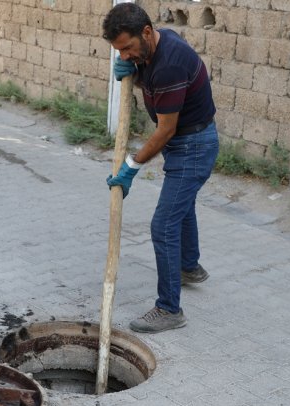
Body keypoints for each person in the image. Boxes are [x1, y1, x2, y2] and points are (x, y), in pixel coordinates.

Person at [102, 3, 219, 334]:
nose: (123, 55)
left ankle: (169, 308)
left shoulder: (169, 62)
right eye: (118, 51)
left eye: (127, 48)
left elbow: (165, 129)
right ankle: (189, 267)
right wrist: (135, 74)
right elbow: (152, 80)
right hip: (187, 143)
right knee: (183, 206)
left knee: (163, 225)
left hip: (192, 147)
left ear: (147, 32)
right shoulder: (157, 46)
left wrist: (130, 166)